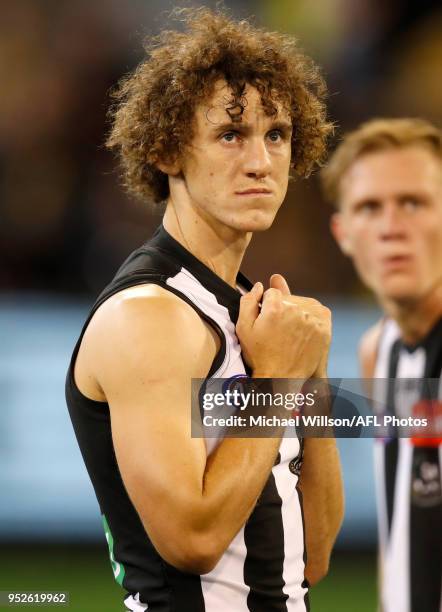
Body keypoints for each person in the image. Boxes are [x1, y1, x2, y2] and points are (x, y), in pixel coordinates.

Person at [66, 8, 344, 611]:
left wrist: (309, 374)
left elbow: (313, 557)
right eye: (230, 134)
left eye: (277, 135)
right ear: (168, 151)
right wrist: (274, 381)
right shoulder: (148, 315)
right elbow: (191, 541)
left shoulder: (255, 312)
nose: (261, 162)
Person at [321, 117, 442, 612]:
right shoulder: (378, 351)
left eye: (414, 203)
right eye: (370, 208)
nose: (392, 227)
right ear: (344, 233)